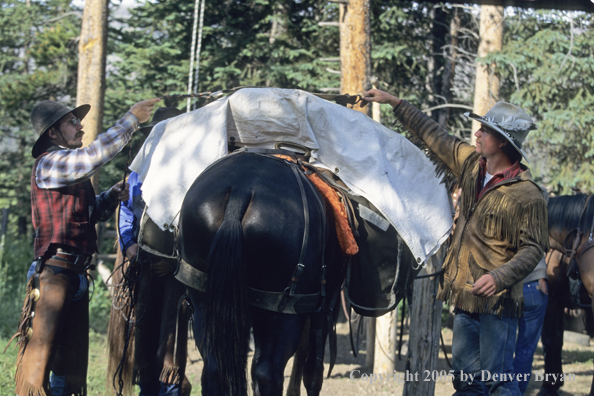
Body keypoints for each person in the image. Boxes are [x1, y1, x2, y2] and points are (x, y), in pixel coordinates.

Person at [363, 89, 548, 396]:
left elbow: (533, 249)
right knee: (466, 383)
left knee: (499, 384)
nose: (477, 133)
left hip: (499, 304)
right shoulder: (472, 165)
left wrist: (499, 277)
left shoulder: (528, 194)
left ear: (503, 142)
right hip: (464, 296)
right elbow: (435, 135)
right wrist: (395, 101)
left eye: (485, 130)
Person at [13, 97, 160, 396]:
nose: (79, 126)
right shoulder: (50, 162)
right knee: (39, 364)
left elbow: (89, 215)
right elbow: (93, 156)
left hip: (75, 274)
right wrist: (131, 119)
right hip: (55, 272)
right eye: (71, 121)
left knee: (69, 366)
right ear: (52, 133)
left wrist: (108, 197)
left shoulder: (66, 167)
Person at [117, 107, 192, 396]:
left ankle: (169, 389)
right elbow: (127, 209)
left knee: (172, 337)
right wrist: (129, 243)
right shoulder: (140, 170)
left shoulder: (193, 169)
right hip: (143, 265)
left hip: (177, 271)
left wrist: (178, 261)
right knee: (144, 333)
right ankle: (147, 389)